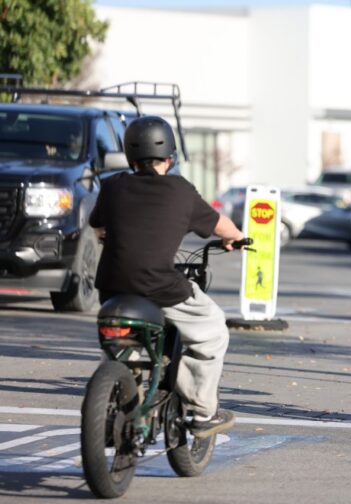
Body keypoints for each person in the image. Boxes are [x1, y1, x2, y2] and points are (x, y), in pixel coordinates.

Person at [89, 116, 244, 437]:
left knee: (121, 342)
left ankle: (122, 384)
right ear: (170, 157)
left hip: (112, 289)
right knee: (213, 329)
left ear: (130, 157)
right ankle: (202, 411)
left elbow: (99, 227)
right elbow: (221, 226)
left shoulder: (113, 186)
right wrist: (237, 238)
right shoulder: (180, 190)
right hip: (160, 286)